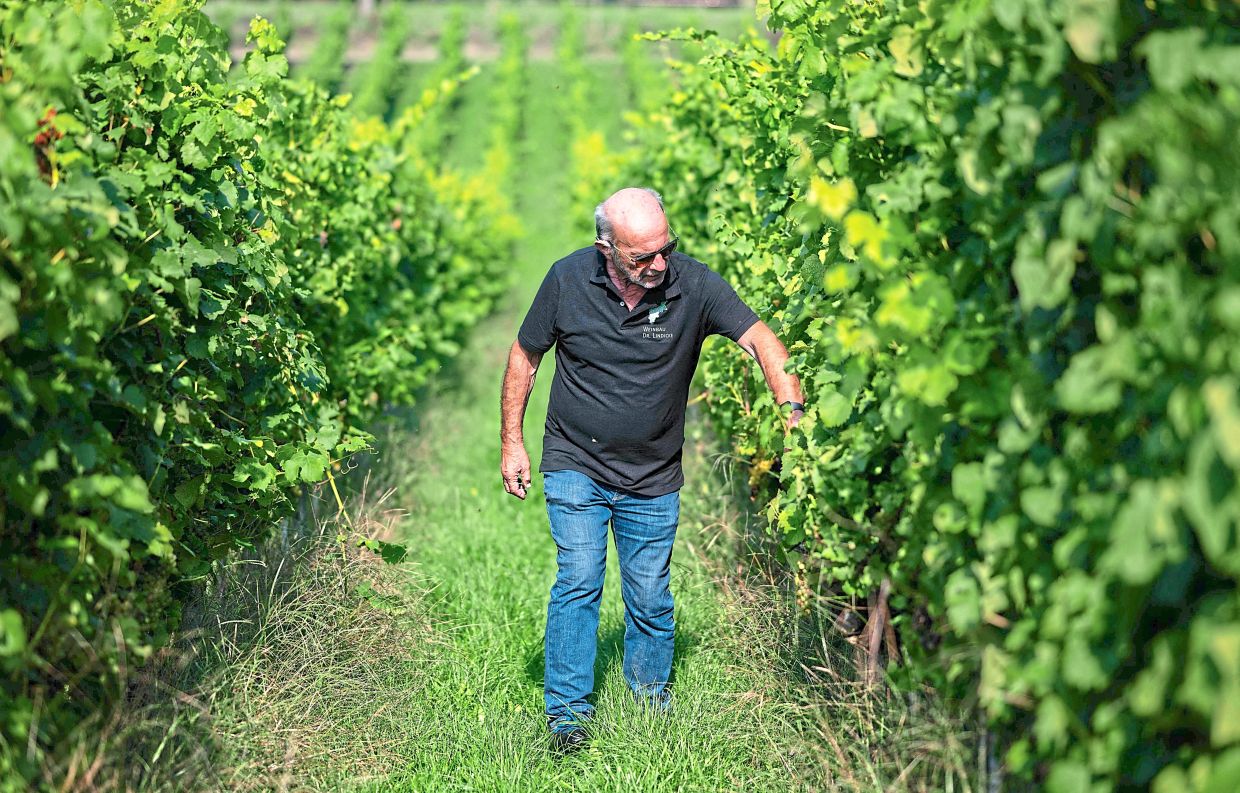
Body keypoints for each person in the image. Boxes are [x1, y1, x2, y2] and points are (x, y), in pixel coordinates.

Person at [499, 187, 804, 755]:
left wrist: (793, 415)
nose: (658, 265)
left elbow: (762, 341)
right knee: (580, 580)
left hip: (654, 473)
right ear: (606, 248)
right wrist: (512, 441)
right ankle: (566, 719)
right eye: (642, 257)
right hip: (575, 460)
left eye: (665, 249)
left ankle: (649, 705)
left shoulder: (695, 283)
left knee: (649, 594)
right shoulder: (566, 280)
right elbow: (525, 355)